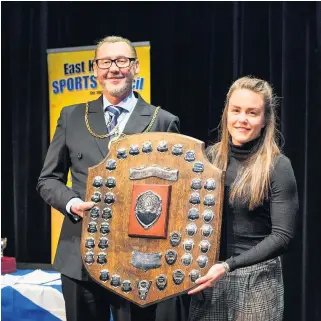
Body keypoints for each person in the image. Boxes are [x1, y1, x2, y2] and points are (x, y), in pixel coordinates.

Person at [37, 35, 180, 321]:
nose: (114, 68)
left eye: (122, 61)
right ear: (95, 69)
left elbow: (175, 194)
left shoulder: (162, 121)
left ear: (135, 67)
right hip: (79, 256)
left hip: (139, 261)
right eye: (106, 62)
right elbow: (48, 180)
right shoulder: (72, 117)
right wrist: (72, 202)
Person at [188, 76, 299, 321]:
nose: (242, 120)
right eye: (236, 110)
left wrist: (229, 265)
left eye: (252, 113)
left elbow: (283, 237)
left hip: (257, 282)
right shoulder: (208, 158)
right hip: (210, 279)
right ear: (226, 112)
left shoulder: (278, 166)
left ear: (265, 120)